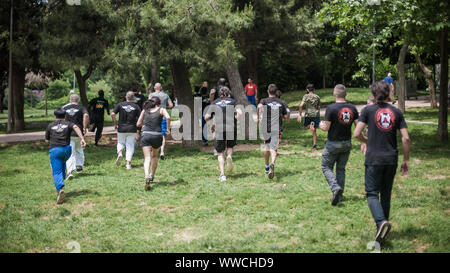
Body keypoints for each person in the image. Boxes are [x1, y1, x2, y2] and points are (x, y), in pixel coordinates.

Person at [354, 80, 410, 245]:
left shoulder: (368, 110)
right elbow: (406, 138)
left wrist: (367, 140)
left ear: (373, 94)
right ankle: (383, 231)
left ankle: (381, 223)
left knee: (372, 193)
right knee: (385, 193)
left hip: (374, 158)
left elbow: (357, 133)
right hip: (391, 158)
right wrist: (406, 159)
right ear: (389, 93)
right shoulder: (397, 112)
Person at [319, 84, 359, 206]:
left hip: (333, 144)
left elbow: (326, 128)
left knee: (326, 166)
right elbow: (359, 125)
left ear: (334, 94)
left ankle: (335, 188)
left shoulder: (331, 108)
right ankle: (339, 196)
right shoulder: (352, 108)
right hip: (347, 143)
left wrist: (320, 125)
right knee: (341, 169)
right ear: (346, 94)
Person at [45, 108, 86, 204]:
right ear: (65, 116)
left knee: (56, 171)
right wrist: (82, 139)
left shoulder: (50, 125)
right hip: (67, 150)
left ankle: (60, 189)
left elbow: (46, 140)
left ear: (55, 116)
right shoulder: (68, 124)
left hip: (55, 150)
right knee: (62, 163)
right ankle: (62, 179)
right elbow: (76, 127)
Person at [204, 87, 242, 182]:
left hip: (219, 129)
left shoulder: (215, 102)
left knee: (220, 153)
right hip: (231, 127)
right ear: (228, 93)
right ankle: (229, 156)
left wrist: (212, 124)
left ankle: (222, 175)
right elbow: (240, 112)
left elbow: (206, 116)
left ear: (219, 94)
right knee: (230, 146)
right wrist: (236, 118)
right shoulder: (233, 101)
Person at [137, 97, 171, 190]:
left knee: (147, 157)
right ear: (158, 104)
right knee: (155, 156)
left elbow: (138, 124)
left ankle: (146, 175)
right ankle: (152, 175)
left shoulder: (145, 110)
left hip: (146, 135)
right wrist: (168, 129)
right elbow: (168, 117)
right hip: (157, 135)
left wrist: (145, 125)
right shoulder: (162, 109)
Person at [257, 84, 290, 179]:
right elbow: (286, 116)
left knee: (266, 146)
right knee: (274, 147)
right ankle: (272, 163)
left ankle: (267, 166)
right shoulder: (281, 102)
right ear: (276, 92)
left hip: (266, 127)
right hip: (277, 128)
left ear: (268, 91)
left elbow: (259, 107)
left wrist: (259, 118)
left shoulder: (264, 100)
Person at [111, 91, 141, 170]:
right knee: (130, 146)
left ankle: (120, 153)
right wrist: (139, 126)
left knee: (120, 142)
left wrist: (115, 123)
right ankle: (128, 164)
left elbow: (113, 114)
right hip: (132, 128)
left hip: (121, 128)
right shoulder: (136, 106)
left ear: (126, 97)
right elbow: (141, 117)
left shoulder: (120, 105)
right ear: (133, 98)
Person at [63, 94, 89, 179]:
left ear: (70, 100)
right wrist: (85, 127)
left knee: (71, 152)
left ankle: (69, 172)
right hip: (79, 132)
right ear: (78, 101)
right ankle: (79, 167)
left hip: (68, 132)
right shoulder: (81, 108)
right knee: (79, 149)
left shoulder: (65, 108)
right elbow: (86, 115)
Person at [149, 83, 173, 160]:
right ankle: (162, 152)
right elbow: (171, 105)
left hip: (153, 117)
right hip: (163, 117)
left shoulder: (151, 95)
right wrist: (165, 107)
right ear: (161, 88)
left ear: (154, 88)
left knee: (152, 134)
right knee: (163, 136)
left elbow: (148, 104)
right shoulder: (166, 95)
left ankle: (153, 152)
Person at [298, 83, 320, 150]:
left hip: (308, 114)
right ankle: (314, 145)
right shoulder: (317, 97)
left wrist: (300, 115)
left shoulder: (306, 96)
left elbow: (301, 105)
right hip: (316, 114)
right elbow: (318, 107)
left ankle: (310, 125)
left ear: (307, 90)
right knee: (314, 131)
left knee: (305, 127)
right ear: (314, 89)